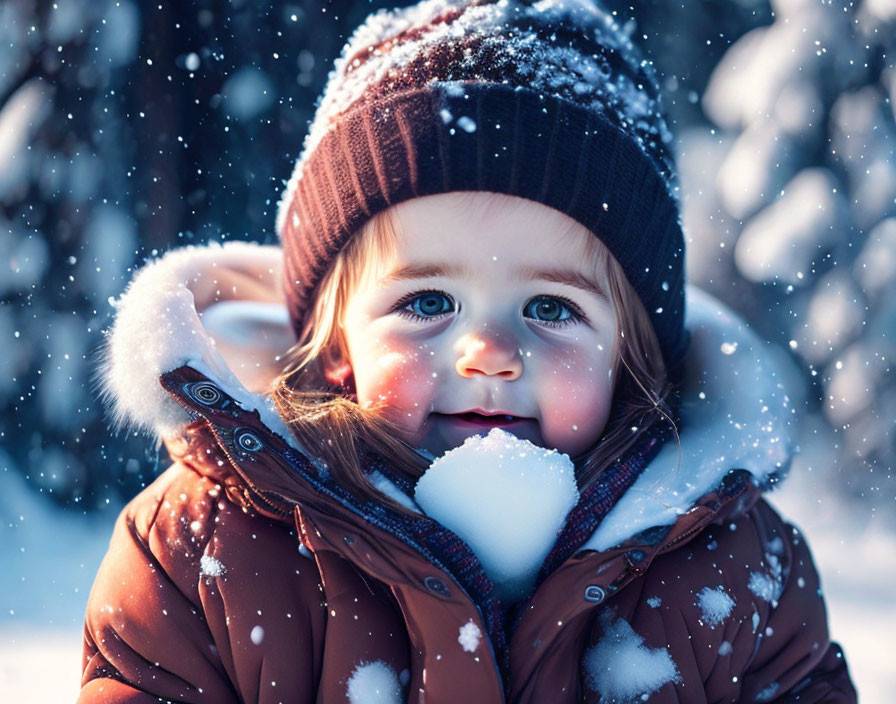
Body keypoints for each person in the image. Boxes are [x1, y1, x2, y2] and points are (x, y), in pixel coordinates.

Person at [80, 0, 857, 701]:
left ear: (630, 352)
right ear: (338, 341)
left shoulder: (738, 571)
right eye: (426, 303)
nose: (489, 352)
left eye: (551, 307)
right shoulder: (203, 549)